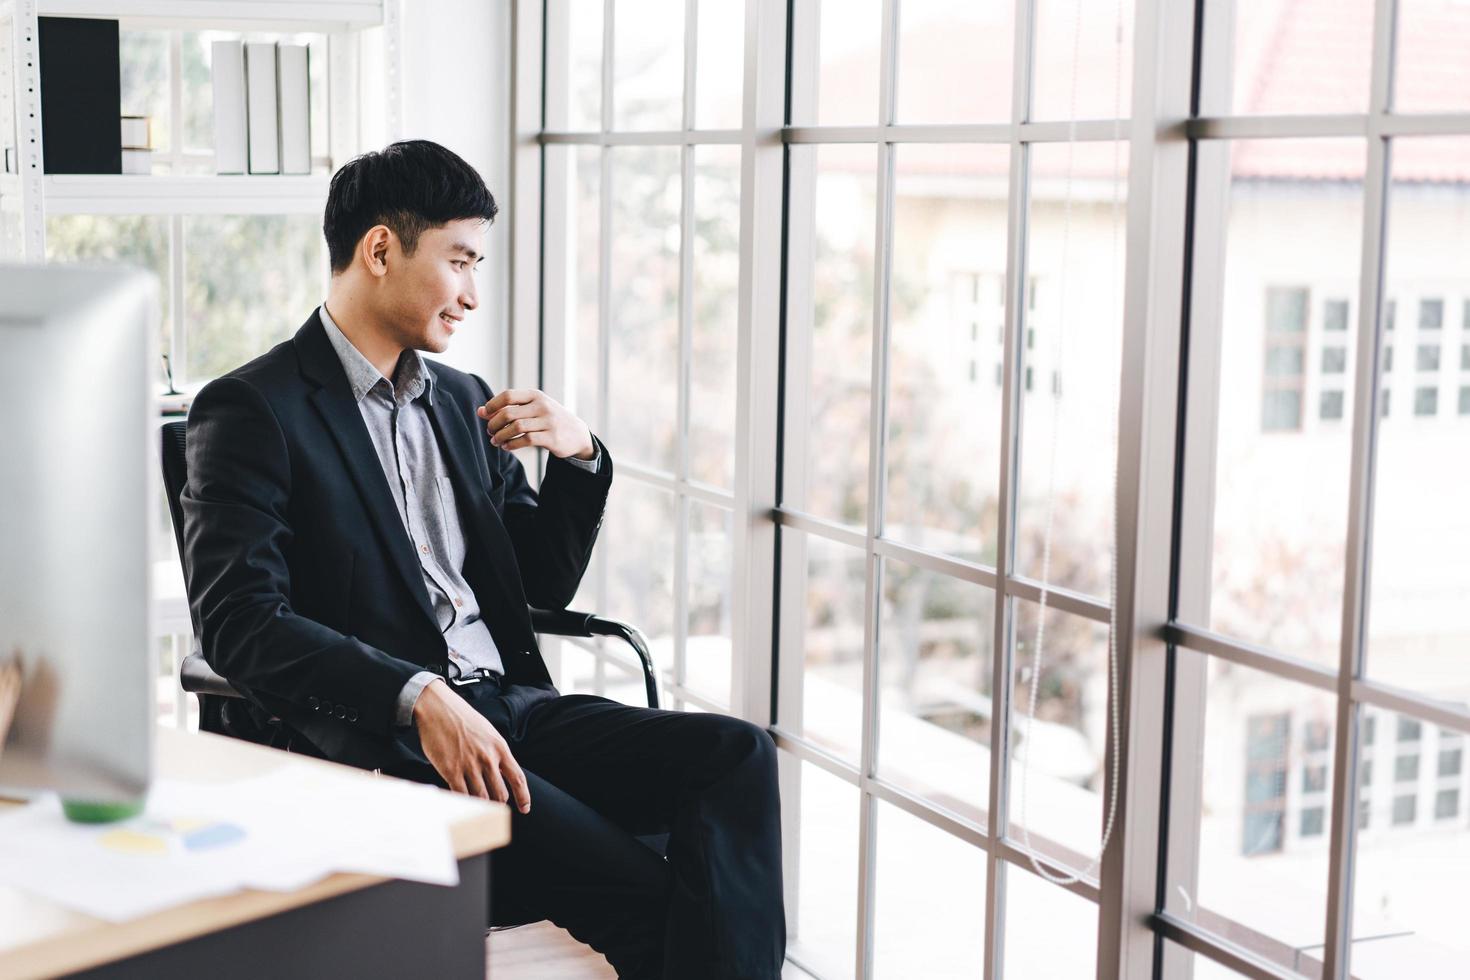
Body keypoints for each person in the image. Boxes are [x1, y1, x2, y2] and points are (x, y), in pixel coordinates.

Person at [181, 139, 785, 979]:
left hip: (515, 711)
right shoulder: (254, 409)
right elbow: (237, 623)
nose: (471, 294)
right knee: (650, 897)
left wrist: (577, 461)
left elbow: (536, 586)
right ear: (381, 249)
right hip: (391, 747)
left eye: (478, 265)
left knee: (737, 757)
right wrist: (414, 694)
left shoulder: (464, 402)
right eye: (459, 261)